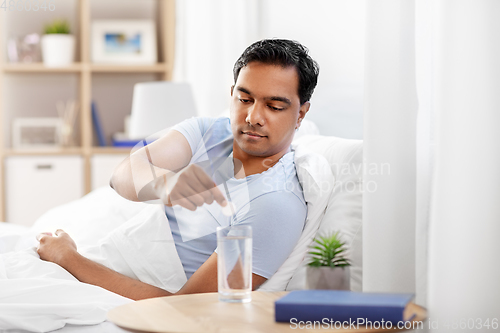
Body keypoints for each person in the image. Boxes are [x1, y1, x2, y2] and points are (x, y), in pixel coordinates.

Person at [36, 39, 320, 300]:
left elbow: (188, 307)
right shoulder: (209, 131)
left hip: (117, 293)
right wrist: (166, 187)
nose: (253, 117)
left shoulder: (275, 204)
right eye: (244, 100)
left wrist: (69, 259)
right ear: (232, 94)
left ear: (301, 114)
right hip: (97, 265)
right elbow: (121, 176)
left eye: (273, 106)